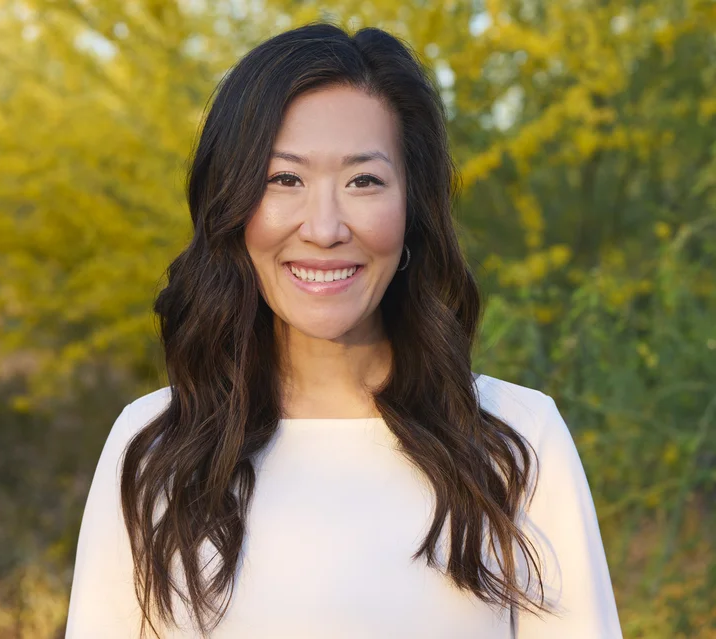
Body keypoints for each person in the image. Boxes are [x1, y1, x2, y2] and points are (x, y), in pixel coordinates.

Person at [65, 21, 623, 639]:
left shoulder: (516, 440)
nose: (325, 228)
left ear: (413, 209)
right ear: (232, 205)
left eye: (364, 181)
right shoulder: (155, 449)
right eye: (285, 180)